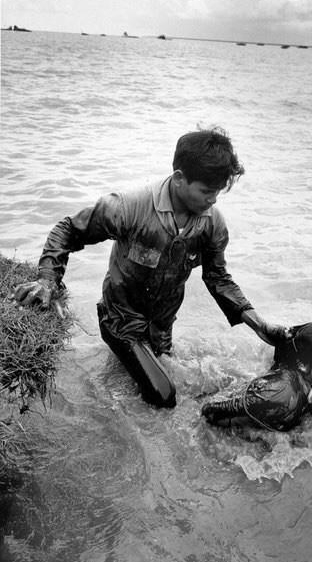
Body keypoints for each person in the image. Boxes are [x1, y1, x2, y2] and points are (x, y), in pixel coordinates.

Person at [13, 128, 287, 408]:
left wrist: (259, 325)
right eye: (206, 191)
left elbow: (218, 278)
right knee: (163, 396)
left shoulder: (212, 224)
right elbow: (68, 230)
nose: (213, 200)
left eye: (217, 192)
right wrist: (48, 280)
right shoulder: (128, 207)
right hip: (120, 320)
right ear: (180, 179)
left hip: (162, 329)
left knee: (182, 382)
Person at [201, 322, 312, 431]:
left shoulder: (303, 381)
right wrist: (206, 409)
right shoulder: (282, 392)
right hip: (219, 428)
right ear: (304, 363)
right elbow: (212, 410)